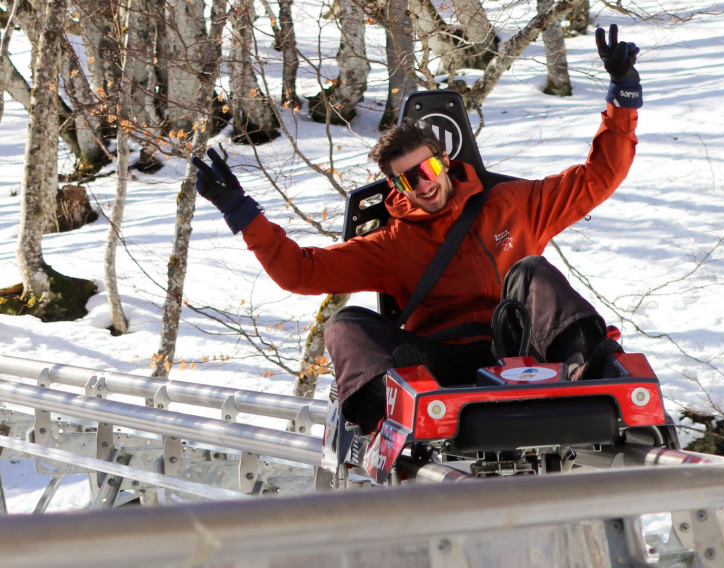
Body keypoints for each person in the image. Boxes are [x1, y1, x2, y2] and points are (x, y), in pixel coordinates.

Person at [192, 25, 643, 433]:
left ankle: (586, 367)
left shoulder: (513, 204)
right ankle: (384, 412)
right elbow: (301, 272)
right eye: (409, 178)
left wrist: (622, 94)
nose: (424, 184)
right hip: (436, 361)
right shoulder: (392, 244)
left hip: (520, 348)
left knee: (531, 270)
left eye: (427, 167)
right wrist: (241, 211)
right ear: (397, 186)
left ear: (444, 161)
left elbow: (598, 176)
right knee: (345, 323)